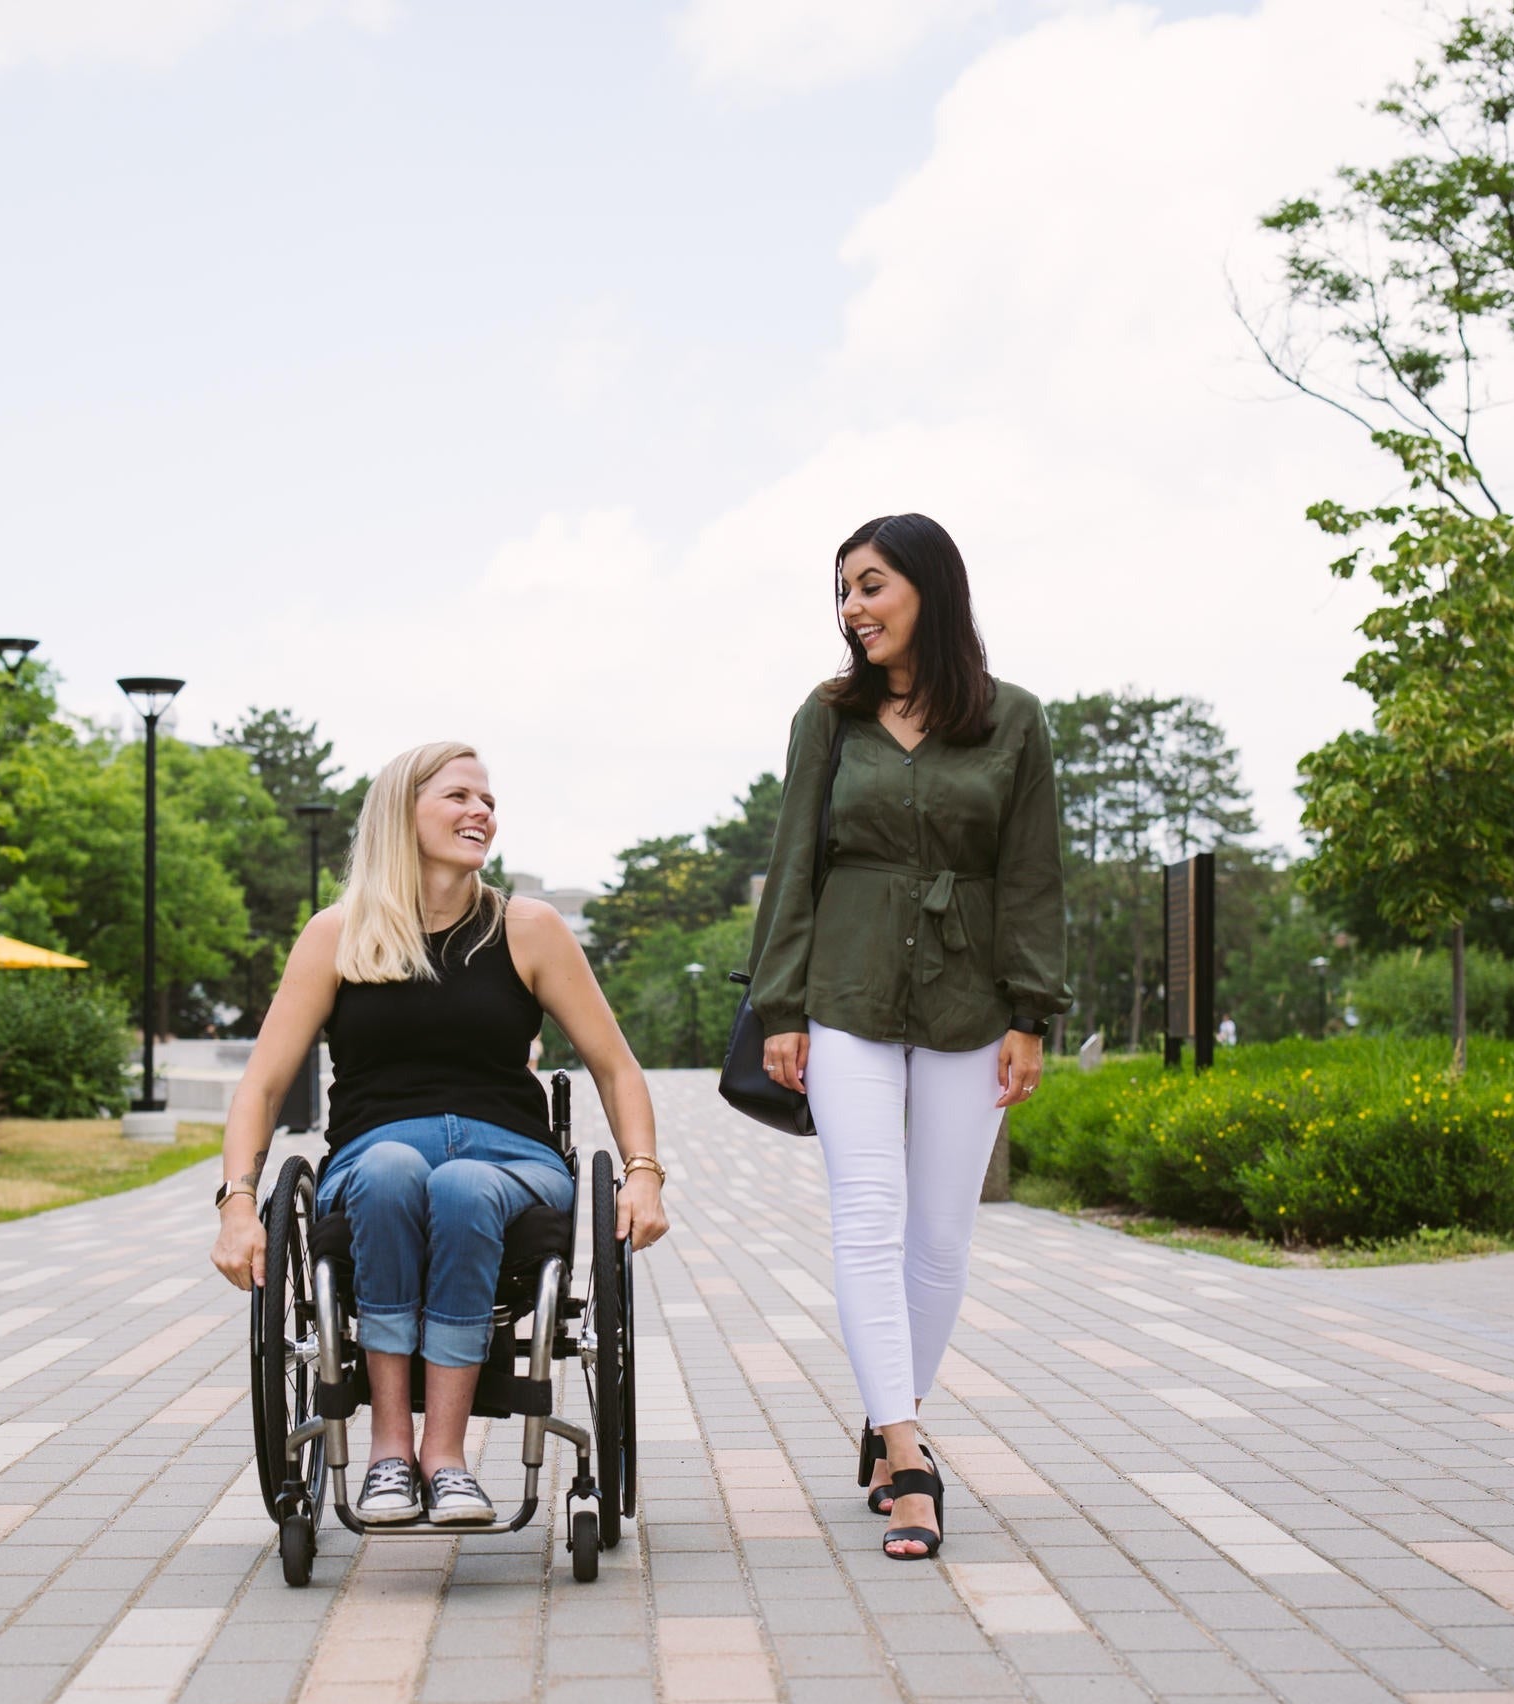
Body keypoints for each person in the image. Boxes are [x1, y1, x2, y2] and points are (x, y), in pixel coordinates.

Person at [212, 740, 669, 1526]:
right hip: (375, 1154)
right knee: (393, 1171)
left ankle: (446, 1458)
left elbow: (617, 1067)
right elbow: (261, 1083)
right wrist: (237, 1202)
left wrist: (646, 1172)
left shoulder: (529, 929)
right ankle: (390, 1451)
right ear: (403, 811)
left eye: (487, 800)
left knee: (461, 1186)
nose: (481, 812)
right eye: (459, 797)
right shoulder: (339, 935)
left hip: (510, 1158)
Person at [749, 515, 1069, 1560]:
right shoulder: (829, 718)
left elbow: (1030, 877)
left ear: (929, 588)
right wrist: (780, 1004)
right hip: (845, 992)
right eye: (843, 590)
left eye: (871, 584)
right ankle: (910, 1451)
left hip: (972, 1001)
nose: (852, 608)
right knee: (869, 1215)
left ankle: (893, 1411)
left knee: (940, 1234)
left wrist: (1031, 1012)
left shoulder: (1013, 721)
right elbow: (794, 859)